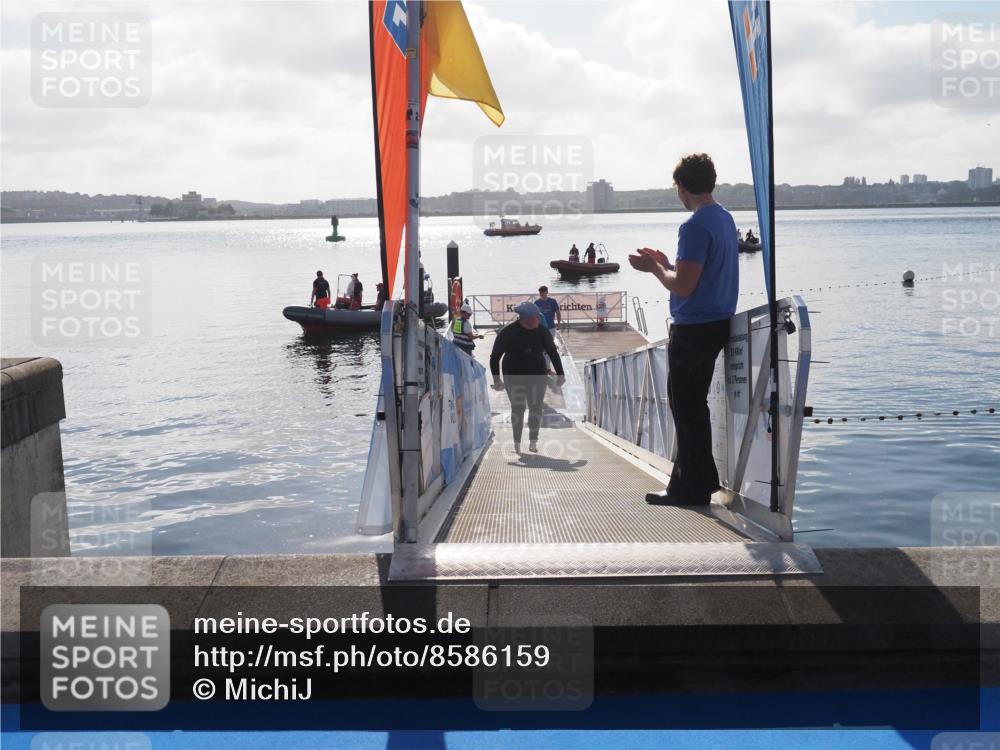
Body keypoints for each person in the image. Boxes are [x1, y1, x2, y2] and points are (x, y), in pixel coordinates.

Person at [628, 153, 738, 507]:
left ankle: (689, 489)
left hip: (694, 328)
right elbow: (699, 274)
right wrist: (667, 263)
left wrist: (654, 269)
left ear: (682, 187)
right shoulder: (724, 218)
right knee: (694, 406)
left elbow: (684, 287)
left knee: (686, 407)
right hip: (718, 321)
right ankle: (702, 479)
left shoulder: (694, 226)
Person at [490, 302, 565, 454]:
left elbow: (552, 352)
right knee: (518, 407)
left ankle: (533, 441)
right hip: (513, 373)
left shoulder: (542, 331)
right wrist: (497, 380)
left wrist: (560, 373)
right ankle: (517, 443)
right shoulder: (508, 332)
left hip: (537, 372)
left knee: (536, 406)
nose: (539, 319)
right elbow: (495, 357)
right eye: (537, 317)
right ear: (526, 319)